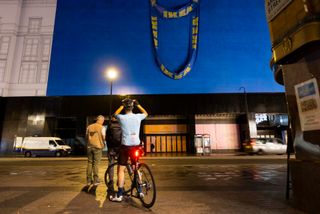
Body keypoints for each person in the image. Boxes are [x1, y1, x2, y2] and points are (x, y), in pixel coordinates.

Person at [110, 98, 148, 202]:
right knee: (136, 167)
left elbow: (114, 114)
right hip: (136, 145)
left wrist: (122, 105)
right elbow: (146, 113)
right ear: (132, 107)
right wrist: (138, 104)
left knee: (121, 170)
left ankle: (119, 195)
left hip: (125, 146)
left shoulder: (121, 118)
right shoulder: (138, 116)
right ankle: (140, 190)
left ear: (124, 107)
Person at [86, 115, 106, 186]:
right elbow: (104, 137)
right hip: (98, 147)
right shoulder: (102, 127)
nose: (103, 122)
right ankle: (95, 180)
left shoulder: (89, 127)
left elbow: (86, 136)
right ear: (101, 120)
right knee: (96, 164)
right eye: (103, 121)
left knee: (89, 163)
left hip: (89, 147)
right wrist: (103, 142)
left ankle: (88, 180)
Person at [105, 115, 122, 192]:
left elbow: (107, 138)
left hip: (111, 148)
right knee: (120, 165)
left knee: (111, 165)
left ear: (112, 118)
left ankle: (111, 181)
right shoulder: (121, 125)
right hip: (120, 148)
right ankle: (120, 182)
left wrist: (108, 147)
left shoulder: (109, 125)